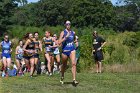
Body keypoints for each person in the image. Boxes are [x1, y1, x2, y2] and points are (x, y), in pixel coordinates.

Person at [59, 20, 78, 84]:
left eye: (69, 24)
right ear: (65, 25)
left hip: (72, 49)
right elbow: (59, 42)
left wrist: (76, 42)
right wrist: (65, 37)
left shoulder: (73, 32)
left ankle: (74, 80)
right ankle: (62, 75)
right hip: (65, 50)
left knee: (73, 64)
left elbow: (75, 39)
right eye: (67, 24)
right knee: (64, 65)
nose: (68, 25)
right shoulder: (63, 32)